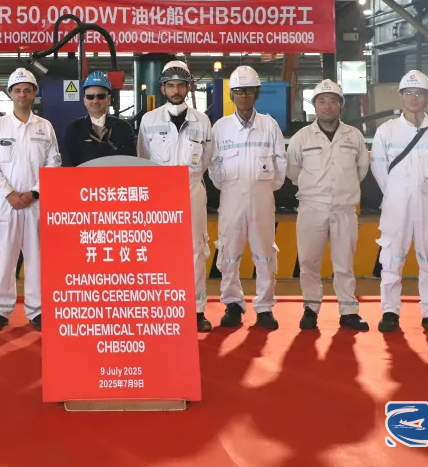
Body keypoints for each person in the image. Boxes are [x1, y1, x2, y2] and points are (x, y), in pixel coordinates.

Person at [371, 70, 428, 335]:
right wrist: (397, 192)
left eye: (419, 93)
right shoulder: (386, 131)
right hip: (396, 205)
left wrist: (427, 193)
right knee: (392, 257)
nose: (413, 98)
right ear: (401, 96)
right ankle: (390, 312)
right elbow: (379, 169)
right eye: (408, 92)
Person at [286, 79, 370, 332]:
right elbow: (293, 171)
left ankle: (349, 311)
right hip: (311, 208)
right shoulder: (301, 137)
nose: (327, 106)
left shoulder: (354, 136)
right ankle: (311, 309)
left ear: (340, 105)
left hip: (344, 209)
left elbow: (361, 169)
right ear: (314, 105)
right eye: (321, 101)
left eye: (333, 100)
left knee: (344, 263)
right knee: (309, 262)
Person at [136, 60, 214, 332]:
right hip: (159, 195)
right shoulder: (149, 120)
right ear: (163, 88)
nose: (176, 90)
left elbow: (206, 159)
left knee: (196, 251)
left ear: (188, 88)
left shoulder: (202, 121)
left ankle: (196, 310)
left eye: (181, 85)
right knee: (158, 252)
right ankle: (161, 308)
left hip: (192, 191)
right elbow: (143, 158)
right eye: (171, 85)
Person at [0, 67, 61, 331]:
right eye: (17, 90)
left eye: (27, 90)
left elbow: (53, 164)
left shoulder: (45, 127)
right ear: (10, 94)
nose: (22, 95)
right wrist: (10, 193)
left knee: (35, 258)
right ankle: (0, 310)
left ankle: (36, 309)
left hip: (36, 203)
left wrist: (34, 193)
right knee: (6, 257)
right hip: (7, 205)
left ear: (34, 93)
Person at [209, 65, 287, 330]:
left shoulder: (269, 125)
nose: (244, 95)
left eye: (249, 90)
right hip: (231, 200)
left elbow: (280, 163)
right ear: (232, 94)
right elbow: (214, 167)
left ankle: (264, 307)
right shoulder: (220, 128)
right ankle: (232, 303)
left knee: (264, 254)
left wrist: (262, 187)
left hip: (262, 200)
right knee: (229, 253)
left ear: (257, 93)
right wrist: (233, 187)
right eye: (239, 91)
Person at [62, 70, 137, 167]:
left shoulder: (124, 128)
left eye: (101, 96)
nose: (95, 101)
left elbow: (131, 164)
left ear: (108, 99)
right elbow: (68, 167)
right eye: (90, 96)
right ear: (84, 100)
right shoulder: (74, 129)